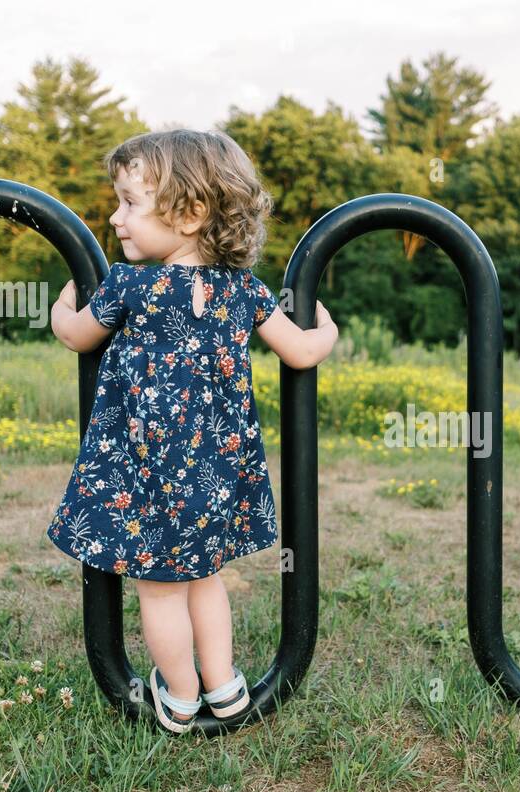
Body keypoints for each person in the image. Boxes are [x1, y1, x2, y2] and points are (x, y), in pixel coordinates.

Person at [46, 129, 337, 734]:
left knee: (159, 590)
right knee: (206, 578)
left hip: (146, 474)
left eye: (129, 202)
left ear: (189, 214)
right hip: (215, 476)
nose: (114, 216)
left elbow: (77, 335)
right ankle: (225, 686)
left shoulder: (130, 287)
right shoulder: (245, 293)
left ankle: (179, 695)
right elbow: (303, 352)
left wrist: (59, 309)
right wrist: (328, 329)